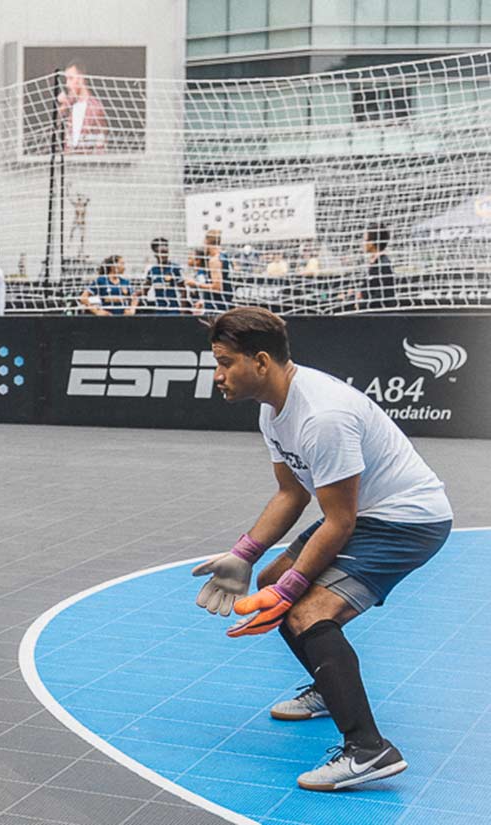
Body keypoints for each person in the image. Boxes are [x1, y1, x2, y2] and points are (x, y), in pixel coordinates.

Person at [192, 307, 452, 792]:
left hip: (408, 521)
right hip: (371, 515)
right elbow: (291, 494)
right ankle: (329, 689)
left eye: (225, 362)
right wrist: (245, 554)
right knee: (272, 584)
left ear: (262, 361)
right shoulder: (274, 409)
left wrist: (292, 589)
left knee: (304, 610)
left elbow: (340, 520)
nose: (218, 374)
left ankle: (368, 750)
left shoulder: (322, 416)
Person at [56, 62, 107, 154]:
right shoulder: (68, 106)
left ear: (81, 79)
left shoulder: (96, 108)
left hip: (86, 164)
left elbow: (101, 144)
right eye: (66, 79)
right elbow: (54, 135)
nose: (67, 84)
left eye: (71, 78)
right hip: (67, 164)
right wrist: (61, 109)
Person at [185, 229, 234, 314]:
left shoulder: (214, 260)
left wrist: (194, 283)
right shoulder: (225, 256)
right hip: (225, 302)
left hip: (216, 306)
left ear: (207, 242)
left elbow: (217, 287)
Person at [142, 237, 185, 315]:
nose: (164, 255)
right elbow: (145, 289)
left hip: (173, 309)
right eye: (162, 252)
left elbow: (183, 290)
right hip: (159, 309)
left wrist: (183, 310)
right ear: (155, 254)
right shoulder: (152, 270)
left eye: (166, 252)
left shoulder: (175, 268)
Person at [361, 225, 395, 311]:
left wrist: (362, 305)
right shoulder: (373, 263)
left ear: (372, 243)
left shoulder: (384, 265)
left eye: (365, 240)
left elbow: (384, 296)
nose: (362, 243)